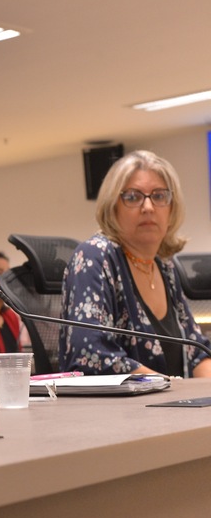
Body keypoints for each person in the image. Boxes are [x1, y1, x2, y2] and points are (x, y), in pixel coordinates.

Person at [59, 150, 211, 377]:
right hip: (119, 402)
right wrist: (171, 387)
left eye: (159, 196)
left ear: (172, 208)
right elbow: (90, 354)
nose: (148, 207)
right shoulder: (95, 257)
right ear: (113, 207)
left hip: (173, 398)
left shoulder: (165, 267)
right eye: (132, 197)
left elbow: (196, 353)